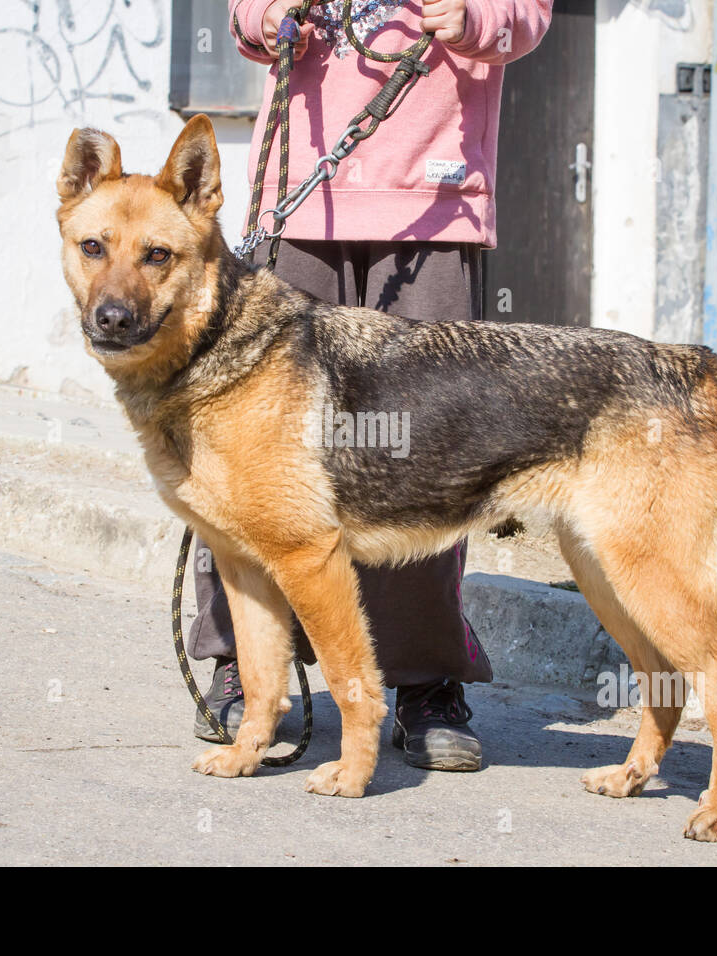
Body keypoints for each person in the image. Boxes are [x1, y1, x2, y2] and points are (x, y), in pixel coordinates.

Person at [188, 0, 553, 771]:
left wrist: (475, 19)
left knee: (422, 458)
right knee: (243, 462)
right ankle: (248, 674)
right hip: (296, 198)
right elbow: (244, 20)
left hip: (434, 205)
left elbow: (526, 18)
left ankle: (424, 683)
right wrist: (266, 13)